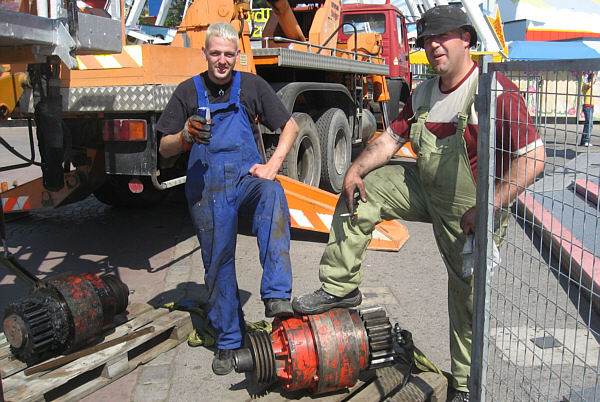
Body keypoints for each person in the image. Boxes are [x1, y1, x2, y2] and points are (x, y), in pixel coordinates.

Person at [292, 6, 545, 402]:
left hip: (471, 208)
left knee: (466, 298)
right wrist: (356, 167)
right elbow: (391, 140)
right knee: (363, 190)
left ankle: (463, 386)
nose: (433, 46)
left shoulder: (493, 91)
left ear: (467, 39)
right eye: (427, 40)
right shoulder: (424, 91)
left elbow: (534, 157)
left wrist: (491, 204)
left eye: (442, 37)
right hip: (424, 186)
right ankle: (339, 286)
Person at [157, 21, 299, 376]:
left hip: (245, 179)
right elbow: (163, 146)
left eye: (229, 54)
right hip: (207, 190)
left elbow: (291, 127)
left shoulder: (250, 85)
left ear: (238, 55)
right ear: (204, 53)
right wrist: (186, 136)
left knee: (272, 192)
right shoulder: (187, 91)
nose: (222, 61)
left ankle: (276, 293)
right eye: (215, 53)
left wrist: (273, 165)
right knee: (219, 263)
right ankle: (228, 341)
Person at [581, 71, 596, 147]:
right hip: (587, 106)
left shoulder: (588, 85)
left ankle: (583, 141)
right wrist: (593, 79)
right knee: (590, 124)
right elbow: (589, 85)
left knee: (587, 124)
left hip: (590, 106)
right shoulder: (586, 84)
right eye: (595, 78)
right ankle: (586, 140)